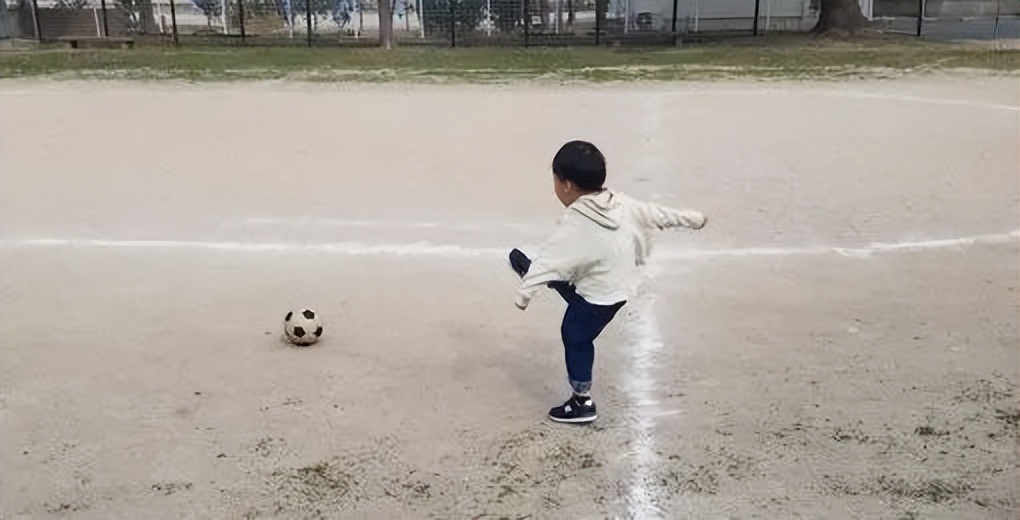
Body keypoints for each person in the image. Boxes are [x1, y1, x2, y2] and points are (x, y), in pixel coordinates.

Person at [510, 140, 707, 424]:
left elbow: (550, 258)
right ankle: (549, 279)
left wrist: (525, 291)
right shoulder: (621, 203)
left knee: (575, 333)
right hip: (621, 281)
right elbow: (657, 214)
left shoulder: (575, 223)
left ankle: (582, 402)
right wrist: (691, 219)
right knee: (569, 277)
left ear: (566, 185)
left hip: (600, 295)